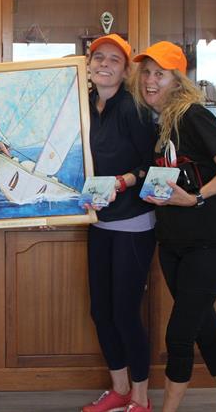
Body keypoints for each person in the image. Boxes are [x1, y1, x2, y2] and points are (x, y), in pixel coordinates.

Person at [134, 41, 216, 412]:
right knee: (206, 332)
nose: (150, 80)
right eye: (147, 72)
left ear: (177, 81)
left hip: (210, 245)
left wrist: (196, 196)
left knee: (179, 335)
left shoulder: (193, 116)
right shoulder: (162, 124)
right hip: (173, 245)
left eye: (160, 74)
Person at [81, 33, 158, 412]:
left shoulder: (134, 109)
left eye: (114, 59)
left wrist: (123, 181)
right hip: (98, 222)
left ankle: (140, 399)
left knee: (125, 313)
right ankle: (119, 389)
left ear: (126, 70)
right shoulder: (86, 107)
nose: (105, 64)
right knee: (101, 310)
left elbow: (155, 168)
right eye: (99, 58)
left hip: (132, 224)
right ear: (89, 65)